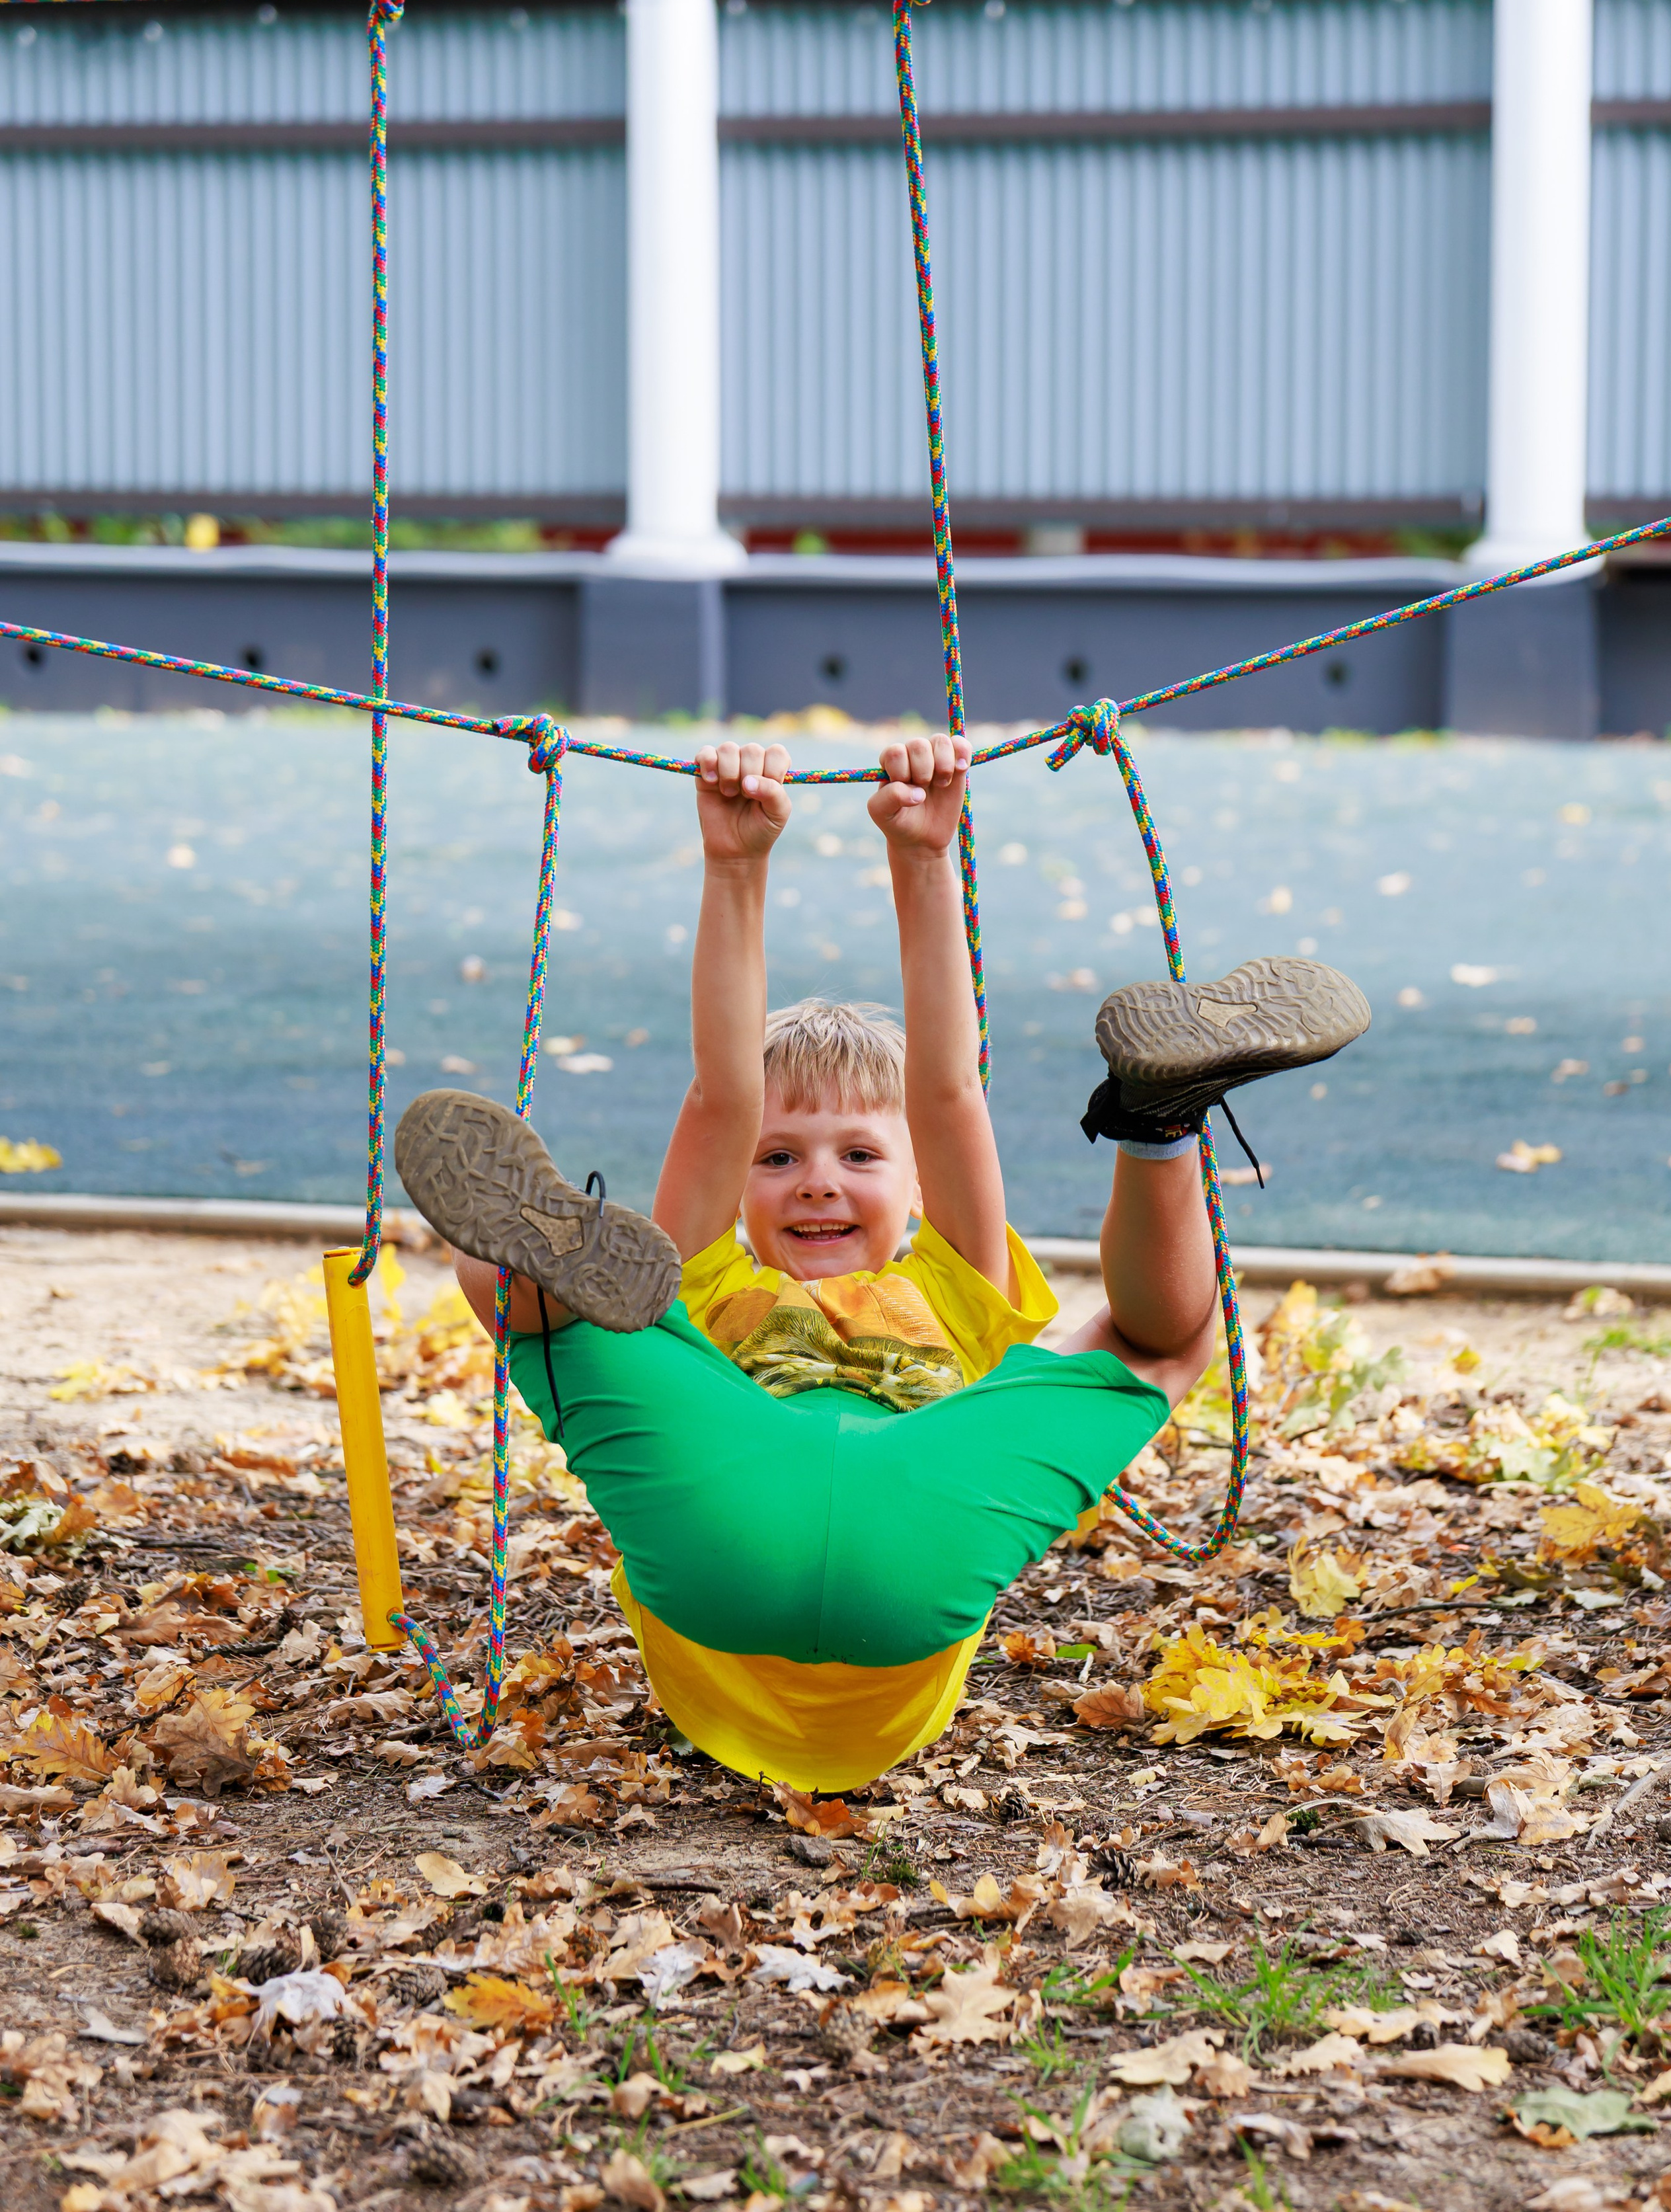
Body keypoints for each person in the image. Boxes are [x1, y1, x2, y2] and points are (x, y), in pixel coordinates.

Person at [395, 735, 1369, 1790]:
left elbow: (932, 1093)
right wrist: (738, 864)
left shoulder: (908, 1279)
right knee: (1167, 1341)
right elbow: (733, 1097)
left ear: (913, 1188)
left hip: (749, 1546)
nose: (816, 1181)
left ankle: (1155, 1111)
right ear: (742, 1182)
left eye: (859, 1155)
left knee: (533, 1298)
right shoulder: (723, 1282)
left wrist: (919, 856)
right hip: (885, 1550)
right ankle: (1155, 1131)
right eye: (777, 1158)